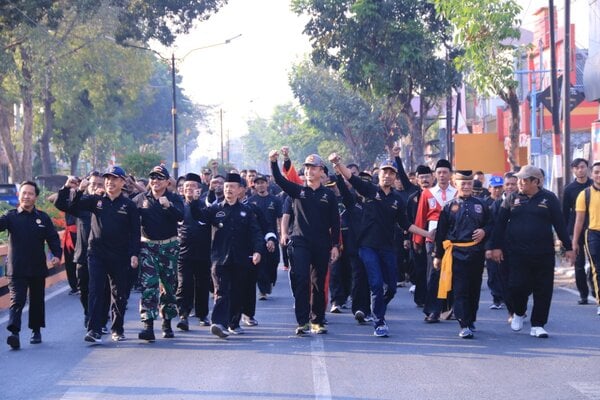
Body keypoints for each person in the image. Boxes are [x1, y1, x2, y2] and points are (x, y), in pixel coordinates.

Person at [330, 153, 431, 337]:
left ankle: (377, 306)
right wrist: (337, 163)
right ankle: (379, 322)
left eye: (391, 173)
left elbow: (406, 224)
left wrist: (427, 234)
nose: (388, 176)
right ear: (380, 174)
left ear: (394, 177)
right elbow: (350, 176)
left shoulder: (397, 200)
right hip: (367, 247)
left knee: (391, 287)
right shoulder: (369, 190)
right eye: (385, 172)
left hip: (388, 248)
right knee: (376, 283)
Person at [58, 166, 140, 343]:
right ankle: (94, 330)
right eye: (108, 178)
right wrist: (79, 190)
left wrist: (134, 254)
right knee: (95, 290)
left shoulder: (129, 205)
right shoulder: (96, 200)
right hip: (96, 253)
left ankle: (117, 328)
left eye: (114, 178)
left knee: (119, 293)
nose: (110, 182)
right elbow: (71, 206)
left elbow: (135, 232)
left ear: (122, 182)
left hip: (120, 255)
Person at [491, 165, 574, 338]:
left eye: (524, 180)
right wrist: (495, 247)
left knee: (543, 289)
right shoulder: (512, 199)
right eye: (519, 180)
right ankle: (519, 312)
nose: (519, 183)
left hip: (543, 253)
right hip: (517, 254)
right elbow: (499, 224)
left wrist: (569, 247)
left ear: (536, 182)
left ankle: (538, 324)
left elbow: (560, 225)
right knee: (516, 287)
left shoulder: (549, 199)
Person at [270, 150, 340, 335]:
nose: (308, 171)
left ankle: (317, 320)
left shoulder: (328, 195)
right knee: (301, 279)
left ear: (321, 171)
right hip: (299, 241)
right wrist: (273, 162)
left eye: (313, 168)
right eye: (306, 167)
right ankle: (302, 321)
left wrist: (335, 245)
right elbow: (279, 180)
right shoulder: (297, 190)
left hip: (322, 243)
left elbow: (335, 222)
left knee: (318, 283)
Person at [190, 172, 263, 338]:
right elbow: (198, 217)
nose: (229, 189)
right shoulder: (215, 209)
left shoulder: (247, 211)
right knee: (222, 291)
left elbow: (256, 232)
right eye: (226, 186)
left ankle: (233, 323)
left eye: (232, 187)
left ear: (240, 190)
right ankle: (218, 323)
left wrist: (258, 250)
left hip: (241, 258)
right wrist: (194, 202)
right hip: (219, 259)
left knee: (237, 292)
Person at [3, 181, 62, 350]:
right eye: (24, 193)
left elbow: (53, 238)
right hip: (17, 268)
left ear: (35, 197)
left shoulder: (42, 218)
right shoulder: (10, 216)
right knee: (17, 300)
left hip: (37, 267)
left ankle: (36, 331)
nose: (26, 196)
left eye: (30, 193)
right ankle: (14, 333)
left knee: (37, 301)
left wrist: (57, 255)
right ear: (18, 195)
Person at [433, 171, 491, 339]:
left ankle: (471, 318)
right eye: (462, 184)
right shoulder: (448, 206)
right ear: (455, 184)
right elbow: (441, 233)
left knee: (474, 288)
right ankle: (463, 323)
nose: (466, 187)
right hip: (456, 253)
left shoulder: (482, 205)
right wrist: (438, 255)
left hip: (476, 253)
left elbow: (492, 224)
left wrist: (484, 231)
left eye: (468, 184)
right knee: (460, 289)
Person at [132, 165, 184, 341]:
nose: (155, 181)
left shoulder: (174, 198)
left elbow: (181, 216)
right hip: (148, 247)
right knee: (149, 285)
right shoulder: (140, 199)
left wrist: (168, 206)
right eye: (152, 177)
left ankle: (167, 322)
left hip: (169, 247)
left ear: (167, 182)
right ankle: (148, 325)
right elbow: (129, 220)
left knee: (169, 286)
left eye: (159, 178)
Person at [54, 171, 110, 331]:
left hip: (104, 255)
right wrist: (67, 187)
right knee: (84, 288)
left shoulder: (109, 204)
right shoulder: (81, 203)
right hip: (83, 254)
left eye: (100, 184)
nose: (96, 187)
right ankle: (88, 313)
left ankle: (102, 319)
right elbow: (61, 204)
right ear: (87, 186)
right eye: (93, 184)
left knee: (103, 289)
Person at [413, 159, 457, 323]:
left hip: (453, 238)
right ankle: (432, 310)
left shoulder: (457, 192)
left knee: (452, 272)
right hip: (432, 238)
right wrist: (417, 239)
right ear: (434, 175)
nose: (442, 175)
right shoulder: (427, 193)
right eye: (439, 173)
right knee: (434, 273)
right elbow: (420, 217)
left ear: (450, 174)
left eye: (445, 172)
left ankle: (449, 308)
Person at [175, 173, 212, 331]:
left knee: (202, 284)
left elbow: (203, 219)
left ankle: (202, 315)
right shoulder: (177, 206)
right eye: (186, 186)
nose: (189, 189)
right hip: (183, 253)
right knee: (184, 284)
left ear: (199, 189)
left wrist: (197, 202)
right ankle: (183, 315)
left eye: (193, 186)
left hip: (203, 253)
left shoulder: (205, 206)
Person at [563, 158, 594, 304]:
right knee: (579, 263)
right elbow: (564, 213)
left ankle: (595, 289)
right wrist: (563, 236)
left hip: (594, 228)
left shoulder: (594, 185)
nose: (580, 170)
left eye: (582, 167)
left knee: (595, 262)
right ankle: (583, 294)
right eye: (577, 168)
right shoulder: (569, 189)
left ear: (587, 168)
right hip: (575, 230)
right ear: (573, 170)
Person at [247, 174, 282, 302]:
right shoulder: (250, 201)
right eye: (257, 183)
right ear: (254, 186)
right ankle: (262, 290)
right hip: (257, 237)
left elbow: (280, 218)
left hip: (272, 235)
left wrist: (281, 234)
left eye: (263, 182)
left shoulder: (275, 200)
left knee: (274, 262)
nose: (260, 185)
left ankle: (270, 280)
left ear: (267, 184)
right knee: (260, 264)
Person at [572, 161, 600, 316]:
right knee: (597, 268)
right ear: (592, 174)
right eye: (596, 172)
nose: (599, 175)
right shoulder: (585, 194)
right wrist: (574, 242)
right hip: (593, 234)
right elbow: (579, 220)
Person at [483, 175, 505, 309]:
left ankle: (506, 297)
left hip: (505, 243)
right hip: (489, 243)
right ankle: (496, 298)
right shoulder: (484, 204)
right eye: (494, 188)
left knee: (505, 272)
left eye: (499, 187)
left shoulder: (508, 201)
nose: (497, 190)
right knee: (492, 272)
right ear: (489, 188)